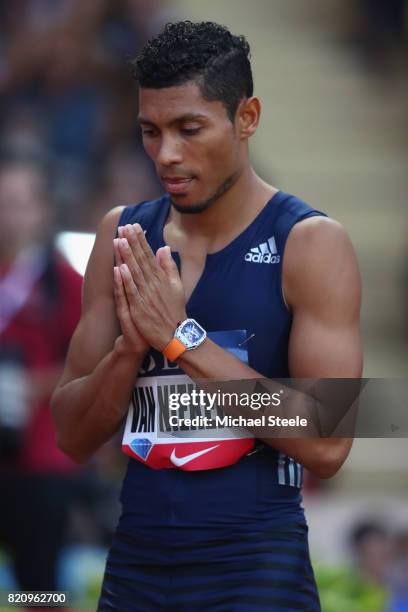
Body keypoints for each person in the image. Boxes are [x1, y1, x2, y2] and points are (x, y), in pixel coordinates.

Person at [51, 20, 362, 611]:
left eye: (189, 128)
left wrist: (179, 339)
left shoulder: (310, 243)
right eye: (150, 131)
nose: (166, 154)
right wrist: (127, 350)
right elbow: (70, 435)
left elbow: (330, 442)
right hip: (136, 565)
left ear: (246, 118)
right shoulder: (122, 236)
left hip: (257, 570)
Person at [0, 156, 83, 590]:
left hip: (39, 462)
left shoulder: (62, 281)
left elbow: (89, 362)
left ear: (42, 209)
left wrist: (32, 387)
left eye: (18, 202)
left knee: (40, 588)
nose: (7, 213)